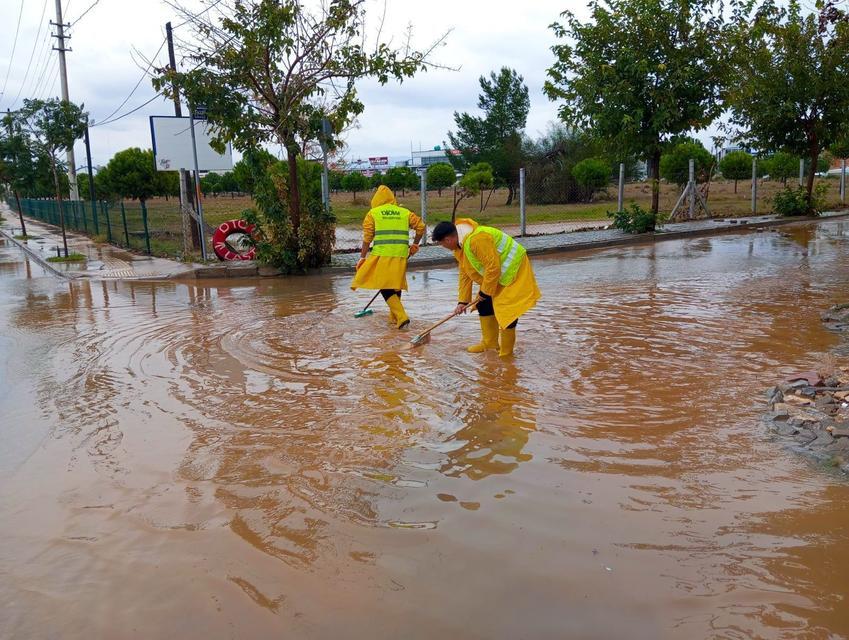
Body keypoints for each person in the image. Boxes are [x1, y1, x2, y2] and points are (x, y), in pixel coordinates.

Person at [431, 218, 540, 357]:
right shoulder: (460, 246)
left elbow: (493, 267)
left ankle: (506, 354)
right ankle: (490, 344)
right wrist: (463, 301)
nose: (443, 247)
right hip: (497, 277)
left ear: (448, 240)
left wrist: (485, 291)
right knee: (483, 304)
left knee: (507, 312)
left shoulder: (477, 239)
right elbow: (465, 274)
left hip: (514, 271)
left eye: (441, 244)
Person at [351, 185, 425, 329]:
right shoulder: (405, 212)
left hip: (382, 254)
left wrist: (362, 257)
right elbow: (421, 226)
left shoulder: (373, 213)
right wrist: (415, 244)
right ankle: (394, 317)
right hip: (401, 254)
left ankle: (402, 316)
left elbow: (367, 237)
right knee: (395, 283)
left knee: (384, 285)